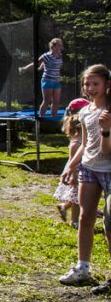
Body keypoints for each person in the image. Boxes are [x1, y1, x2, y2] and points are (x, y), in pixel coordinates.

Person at [58, 65, 111, 290]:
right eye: (87, 84)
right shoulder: (86, 111)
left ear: (107, 85)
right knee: (84, 218)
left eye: (95, 84)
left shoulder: (108, 112)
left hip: (109, 169)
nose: (89, 88)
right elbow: (85, 144)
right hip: (88, 169)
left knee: (110, 223)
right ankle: (83, 268)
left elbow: (107, 150)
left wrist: (106, 130)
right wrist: (71, 165)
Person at [54, 98, 89, 229]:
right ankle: (75, 221)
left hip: (82, 171)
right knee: (77, 199)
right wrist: (73, 175)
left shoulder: (79, 140)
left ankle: (64, 206)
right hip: (76, 172)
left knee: (77, 197)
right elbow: (72, 161)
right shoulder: (75, 143)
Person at [19, 37, 64, 117]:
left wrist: (42, 66)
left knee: (56, 101)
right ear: (53, 46)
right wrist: (24, 69)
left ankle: (53, 117)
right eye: (59, 45)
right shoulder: (46, 55)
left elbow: (50, 64)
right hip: (47, 80)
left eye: (61, 45)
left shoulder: (59, 55)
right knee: (46, 101)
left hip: (56, 81)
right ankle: (41, 118)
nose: (61, 47)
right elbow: (36, 63)